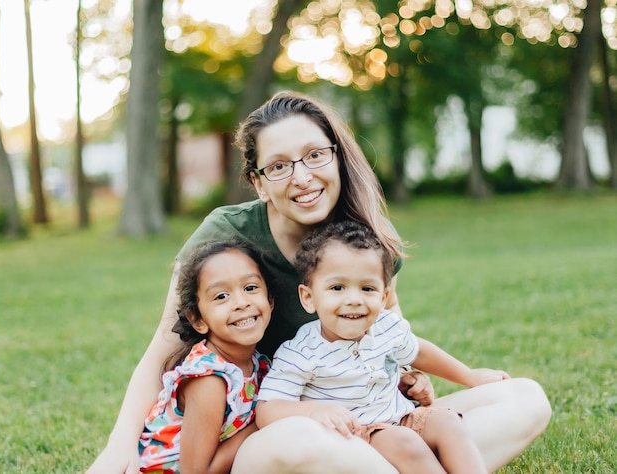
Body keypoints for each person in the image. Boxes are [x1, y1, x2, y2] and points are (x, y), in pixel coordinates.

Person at [88, 91, 551, 474]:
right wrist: (118, 447)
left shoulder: (359, 240)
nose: (303, 177)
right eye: (280, 165)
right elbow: (160, 353)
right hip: (280, 439)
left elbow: (388, 343)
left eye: (314, 156)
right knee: (302, 439)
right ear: (259, 182)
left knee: (526, 399)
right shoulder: (225, 236)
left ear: (336, 157)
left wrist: (414, 382)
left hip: (368, 429)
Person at [257, 220, 494, 474]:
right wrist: (316, 410)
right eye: (337, 288)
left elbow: (420, 352)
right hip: (357, 438)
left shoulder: (387, 326)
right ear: (309, 297)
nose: (354, 300)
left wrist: (469, 376)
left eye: (367, 288)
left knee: (448, 422)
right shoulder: (302, 351)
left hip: (400, 417)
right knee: (406, 442)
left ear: (383, 297)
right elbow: (267, 408)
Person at [138, 239, 273, 473]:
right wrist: (261, 424)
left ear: (270, 300)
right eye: (221, 296)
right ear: (197, 319)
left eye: (250, 288)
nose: (241, 303)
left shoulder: (258, 364)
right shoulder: (209, 379)